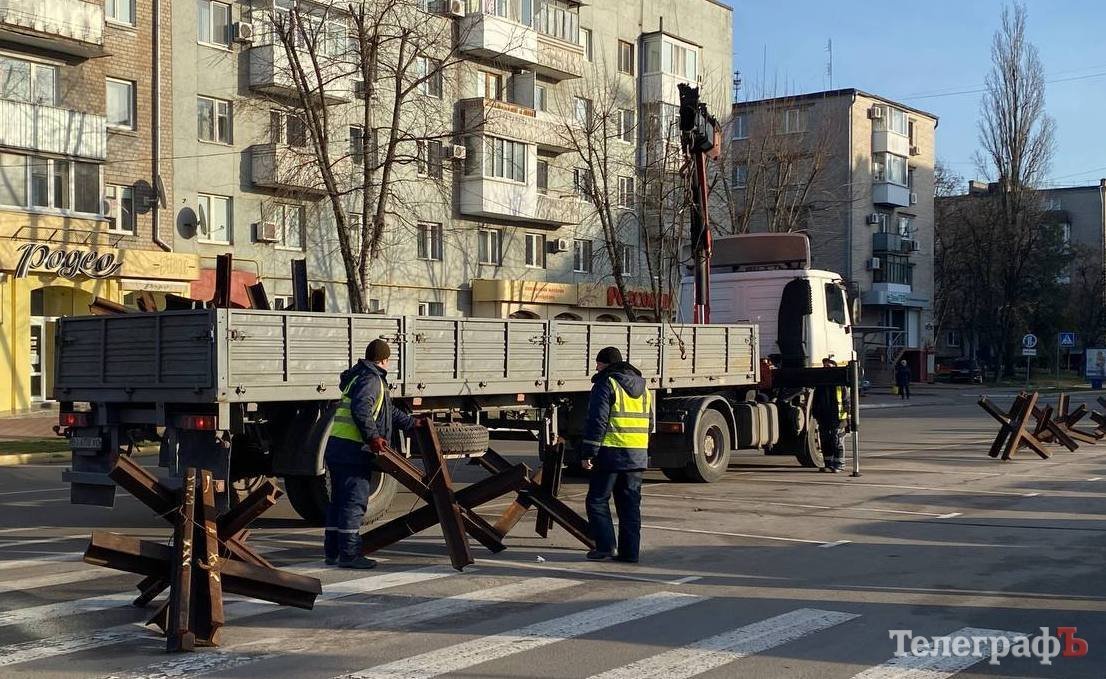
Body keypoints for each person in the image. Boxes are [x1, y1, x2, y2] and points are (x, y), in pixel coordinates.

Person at [323, 339, 413, 569]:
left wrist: (411, 423)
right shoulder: (372, 379)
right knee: (354, 503)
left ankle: (332, 552)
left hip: (338, 447)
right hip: (353, 450)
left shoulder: (357, 376)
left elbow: (386, 410)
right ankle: (349, 555)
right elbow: (361, 408)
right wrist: (373, 437)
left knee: (338, 502)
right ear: (384, 359)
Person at [579, 347, 653, 563]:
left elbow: (597, 421)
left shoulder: (606, 384)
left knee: (597, 500)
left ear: (606, 364)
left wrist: (588, 453)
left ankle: (605, 547)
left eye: (598, 363)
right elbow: (649, 423)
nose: (596, 368)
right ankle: (630, 553)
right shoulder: (644, 388)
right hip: (636, 455)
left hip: (611, 453)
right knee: (630, 506)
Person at [812, 360, 848, 473]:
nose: (826, 368)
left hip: (838, 418)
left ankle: (839, 465)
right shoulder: (821, 384)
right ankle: (828, 464)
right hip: (824, 418)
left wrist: (846, 417)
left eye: (829, 366)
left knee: (837, 441)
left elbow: (846, 401)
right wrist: (816, 414)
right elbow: (815, 401)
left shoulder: (840, 384)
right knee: (825, 441)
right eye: (825, 366)